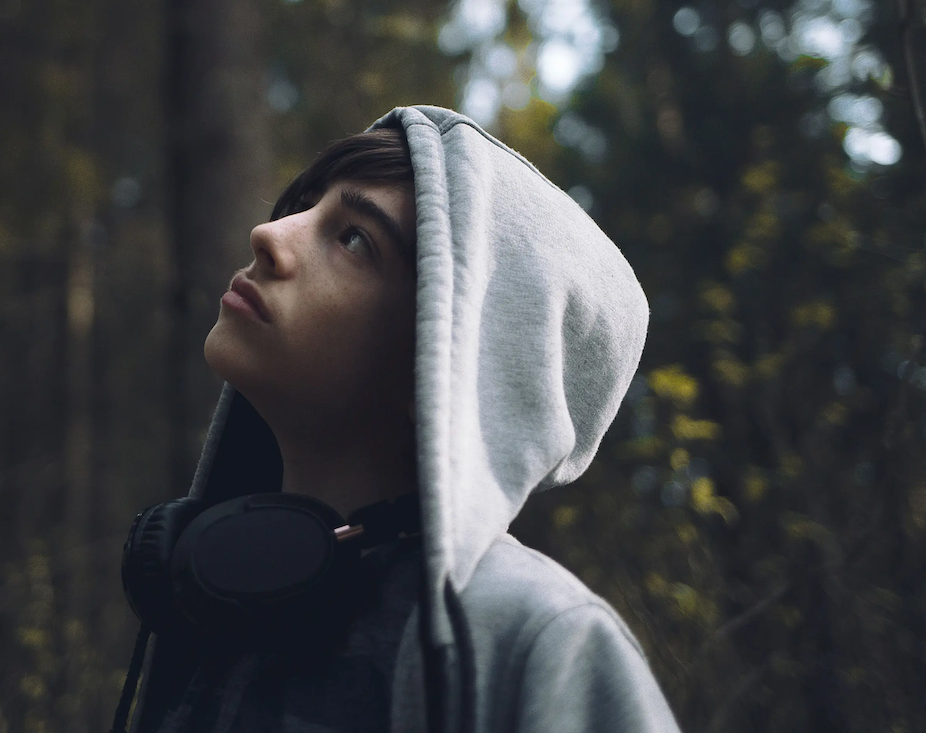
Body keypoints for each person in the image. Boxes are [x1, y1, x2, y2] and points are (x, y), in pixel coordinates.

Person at [115, 106, 680, 733]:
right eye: (304, 206)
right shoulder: (219, 593)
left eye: (354, 239)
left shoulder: (542, 640)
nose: (269, 235)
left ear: (450, 352)